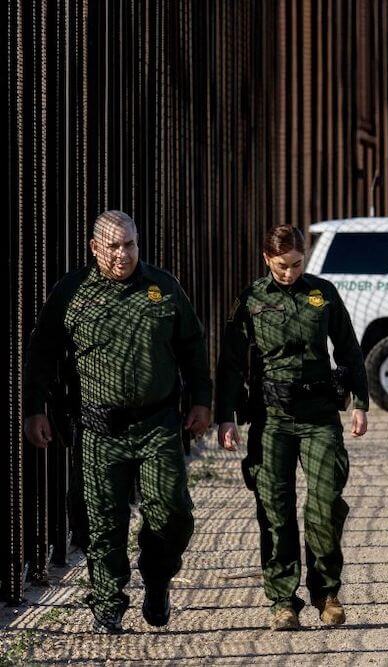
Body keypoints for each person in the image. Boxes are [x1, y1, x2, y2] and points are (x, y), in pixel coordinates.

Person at [23, 210, 212, 634]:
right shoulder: (72, 292)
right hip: (97, 428)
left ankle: (158, 579)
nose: (123, 254)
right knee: (101, 519)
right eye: (113, 246)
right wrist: (35, 409)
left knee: (173, 514)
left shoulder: (162, 288)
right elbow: (42, 353)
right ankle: (108, 601)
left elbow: (193, 346)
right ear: (95, 248)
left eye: (130, 244)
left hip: (157, 422)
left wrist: (202, 401)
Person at [215, 224, 369, 631]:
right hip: (271, 418)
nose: (290, 273)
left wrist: (361, 404)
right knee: (276, 511)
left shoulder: (322, 294)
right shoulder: (251, 300)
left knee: (324, 504)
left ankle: (327, 591)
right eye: (282, 266)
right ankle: (283, 599)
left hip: (320, 415)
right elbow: (230, 362)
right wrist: (225, 416)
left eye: (297, 264)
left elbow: (349, 348)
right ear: (267, 259)